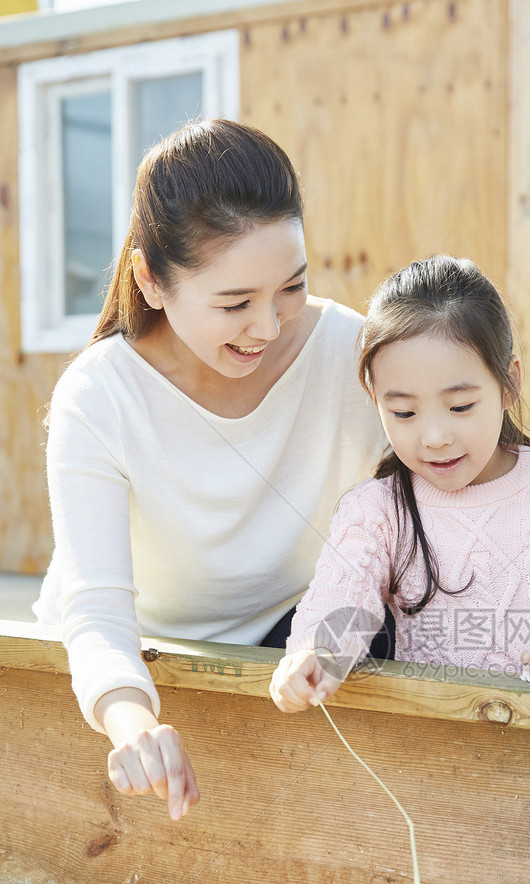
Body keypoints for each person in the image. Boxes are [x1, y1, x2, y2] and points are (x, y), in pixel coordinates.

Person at [34, 119, 387, 820]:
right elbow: (99, 614)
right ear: (151, 281)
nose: (269, 325)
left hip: (290, 641)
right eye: (235, 304)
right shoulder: (100, 395)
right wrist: (133, 724)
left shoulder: (353, 351)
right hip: (138, 656)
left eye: (291, 286)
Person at [269, 255, 530, 715]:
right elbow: (340, 598)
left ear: (509, 383)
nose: (435, 437)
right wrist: (316, 654)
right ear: (376, 400)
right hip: (431, 755)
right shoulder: (377, 509)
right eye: (404, 413)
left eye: (461, 406)